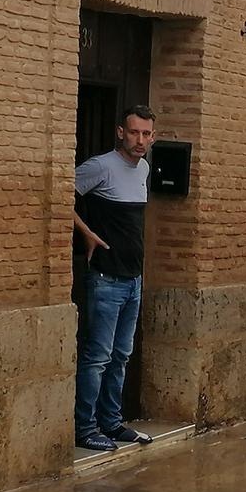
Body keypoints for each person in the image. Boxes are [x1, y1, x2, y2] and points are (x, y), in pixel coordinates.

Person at [73, 106, 157, 452]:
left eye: (147, 134)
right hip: (105, 279)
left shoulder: (145, 169)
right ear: (120, 132)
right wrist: (87, 233)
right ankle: (84, 427)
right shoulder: (100, 166)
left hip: (133, 279)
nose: (141, 141)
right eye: (135, 133)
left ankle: (111, 422)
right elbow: (63, 194)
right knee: (97, 357)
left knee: (121, 355)